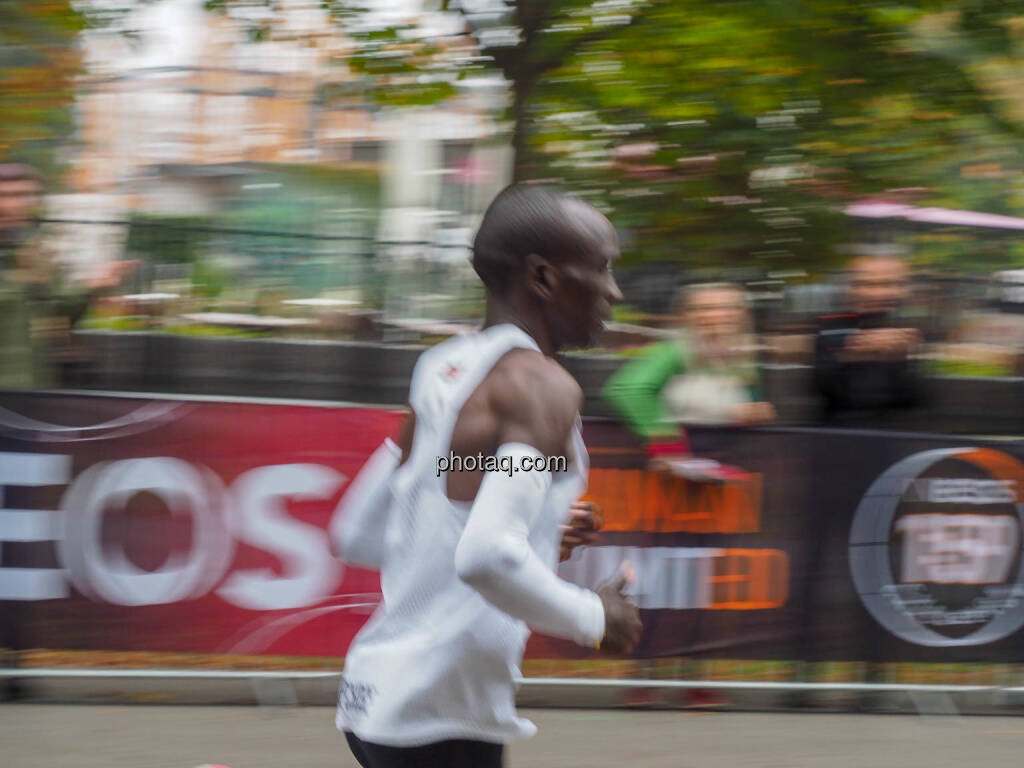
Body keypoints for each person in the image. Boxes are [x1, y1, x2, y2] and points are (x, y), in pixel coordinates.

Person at [329, 184, 643, 768]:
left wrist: (541, 530)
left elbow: (360, 531)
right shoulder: (541, 385)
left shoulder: (442, 370)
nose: (613, 291)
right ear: (544, 278)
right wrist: (597, 618)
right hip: (437, 716)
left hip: (384, 698)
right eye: (601, 268)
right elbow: (486, 557)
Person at [603, 282, 774, 480]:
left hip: (724, 469)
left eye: (728, 307)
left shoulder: (744, 360)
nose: (716, 315)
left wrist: (755, 412)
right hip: (670, 476)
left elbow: (746, 410)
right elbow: (627, 390)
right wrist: (670, 449)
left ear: (743, 313)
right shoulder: (673, 352)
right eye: (704, 309)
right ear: (689, 315)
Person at [0, 162, 133, 389]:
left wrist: (92, 287)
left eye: (25, 195)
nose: (14, 205)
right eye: (5, 195)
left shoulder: (36, 250)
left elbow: (55, 318)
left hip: (28, 391)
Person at [812, 254, 922, 427]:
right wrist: (853, 353)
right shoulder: (831, 326)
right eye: (868, 284)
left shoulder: (907, 327)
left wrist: (901, 357)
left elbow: (916, 401)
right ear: (852, 288)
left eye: (886, 284)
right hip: (839, 434)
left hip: (894, 434)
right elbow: (821, 391)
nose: (877, 293)